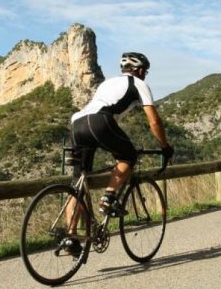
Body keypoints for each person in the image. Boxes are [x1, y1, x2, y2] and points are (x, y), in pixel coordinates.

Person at [64, 52, 174, 256]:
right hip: (99, 121)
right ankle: (108, 198)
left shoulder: (106, 84)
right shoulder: (139, 84)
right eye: (145, 71)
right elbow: (154, 121)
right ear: (140, 70)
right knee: (128, 157)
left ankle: (70, 237)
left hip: (77, 123)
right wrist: (165, 146)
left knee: (77, 183)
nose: (145, 75)